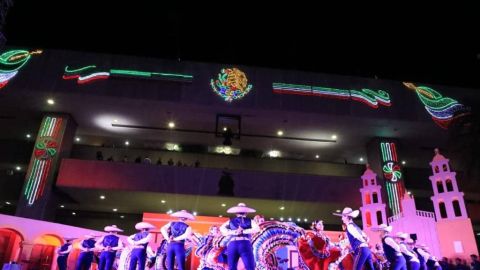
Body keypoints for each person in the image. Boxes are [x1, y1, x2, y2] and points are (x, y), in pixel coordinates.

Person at [220, 203, 259, 270]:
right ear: (246, 212)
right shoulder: (250, 221)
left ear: (236, 213)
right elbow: (257, 229)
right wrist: (243, 231)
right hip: (244, 243)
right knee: (250, 267)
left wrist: (234, 232)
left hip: (232, 244)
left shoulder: (230, 221)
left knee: (232, 267)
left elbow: (222, 228)